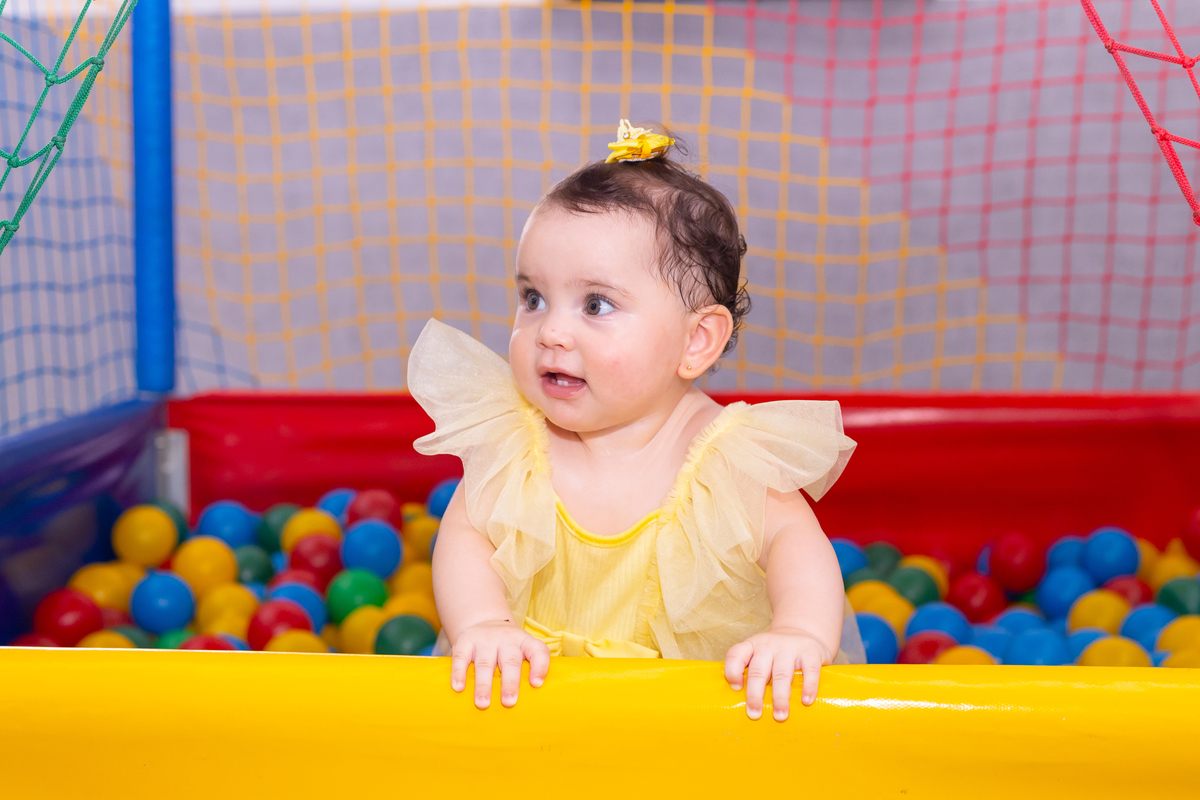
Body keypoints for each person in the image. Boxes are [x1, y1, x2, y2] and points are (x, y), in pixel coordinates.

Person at [408, 120, 862, 722]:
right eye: (533, 298)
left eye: (595, 305)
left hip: (687, 717)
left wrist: (799, 631)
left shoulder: (725, 459)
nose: (551, 331)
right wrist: (485, 624)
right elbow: (466, 535)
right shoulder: (517, 438)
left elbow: (795, 546)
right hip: (536, 701)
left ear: (696, 341)